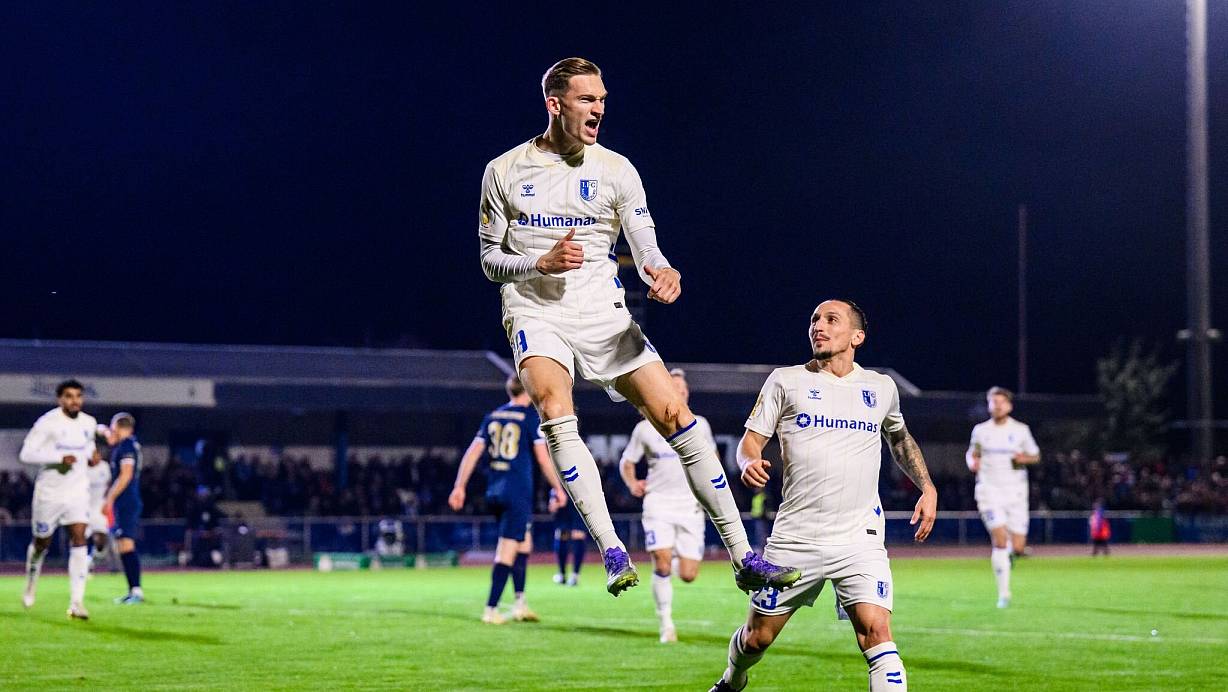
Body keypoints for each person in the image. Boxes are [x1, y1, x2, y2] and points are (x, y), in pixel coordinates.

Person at [477, 56, 798, 596]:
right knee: (555, 409)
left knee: (677, 415)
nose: (599, 108)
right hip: (536, 309)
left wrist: (662, 270)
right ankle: (612, 550)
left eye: (602, 99)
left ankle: (744, 556)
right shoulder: (504, 170)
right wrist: (540, 263)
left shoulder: (617, 170)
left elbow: (645, 244)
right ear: (554, 105)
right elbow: (490, 260)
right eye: (587, 99)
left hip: (603, 312)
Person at [709, 300, 938, 692]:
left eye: (832, 320)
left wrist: (928, 487)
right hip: (796, 537)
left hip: (859, 539)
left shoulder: (881, 387)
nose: (819, 326)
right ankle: (733, 677)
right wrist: (748, 462)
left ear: (857, 336)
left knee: (877, 632)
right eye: (815, 319)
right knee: (757, 638)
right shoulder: (785, 381)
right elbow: (750, 442)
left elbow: (900, 439)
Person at [449, 375, 567, 624]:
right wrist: (558, 487)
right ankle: (490, 609)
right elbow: (543, 458)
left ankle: (520, 604)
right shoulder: (529, 417)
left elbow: (473, 452)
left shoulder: (493, 416)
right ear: (528, 390)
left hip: (495, 490)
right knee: (507, 549)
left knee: (524, 545)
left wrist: (459, 486)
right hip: (517, 492)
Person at [619, 367, 712, 643]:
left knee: (688, 574)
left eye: (683, 389)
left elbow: (712, 461)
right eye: (675, 388)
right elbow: (627, 462)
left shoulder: (700, 425)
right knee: (661, 563)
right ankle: (666, 625)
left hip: (690, 506)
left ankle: (671, 559)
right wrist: (632, 483)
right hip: (658, 504)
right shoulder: (645, 428)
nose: (680, 393)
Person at [18, 379, 98, 619]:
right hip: (50, 494)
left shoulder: (89, 423)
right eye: (69, 396)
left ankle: (77, 602)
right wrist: (58, 458)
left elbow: (88, 448)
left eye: (78, 396)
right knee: (41, 543)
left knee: (79, 537)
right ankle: (31, 582)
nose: (75, 401)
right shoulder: (47, 423)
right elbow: (26, 454)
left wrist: (93, 456)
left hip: (77, 492)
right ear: (60, 399)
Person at [965, 386, 1040, 608]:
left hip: (1016, 492)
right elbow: (972, 453)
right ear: (989, 405)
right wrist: (971, 462)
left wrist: (1023, 459)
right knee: (999, 540)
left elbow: (1035, 455)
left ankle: (1010, 555)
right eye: (993, 402)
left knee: (1018, 547)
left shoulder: (1021, 430)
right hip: (989, 491)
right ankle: (1004, 594)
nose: (997, 406)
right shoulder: (980, 431)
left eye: (1001, 402)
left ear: (1009, 406)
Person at [103, 412, 145, 604]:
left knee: (127, 544)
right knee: (122, 544)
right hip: (125, 501)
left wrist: (109, 498)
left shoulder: (126, 446)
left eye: (113, 429)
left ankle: (136, 591)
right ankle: (132, 590)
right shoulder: (128, 444)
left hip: (127, 501)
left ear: (120, 428)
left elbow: (126, 475)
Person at [86, 425, 114, 573]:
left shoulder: (104, 467)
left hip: (99, 507)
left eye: (98, 453)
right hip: (84, 508)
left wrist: (108, 500)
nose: (97, 456)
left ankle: (92, 558)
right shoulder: (82, 469)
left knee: (101, 539)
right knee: (80, 538)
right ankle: (84, 564)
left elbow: (110, 484)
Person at [551, 490, 588, 586]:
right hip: (570, 493)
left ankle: (570, 575)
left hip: (576, 493)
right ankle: (566, 574)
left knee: (576, 534)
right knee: (563, 535)